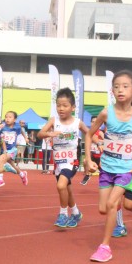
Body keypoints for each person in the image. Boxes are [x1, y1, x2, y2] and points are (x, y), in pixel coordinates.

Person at [85, 70, 132, 263]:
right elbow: (89, 134)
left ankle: (105, 247)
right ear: (112, 91)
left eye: (125, 86)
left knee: (111, 205)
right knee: (103, 209)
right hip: (107, 168)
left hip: (126, 169)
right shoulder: (106, 113)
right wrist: (88, 159)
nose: (120, 90)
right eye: (116, 87)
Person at [37, 88, 89, 228]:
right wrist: (50, 134)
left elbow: (89, 134)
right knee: (67, 189)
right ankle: (76, 213)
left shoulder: (77, 122)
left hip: (72, 160)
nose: (61, 108)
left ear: (73, 107)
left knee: (61, 185)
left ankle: (63, 214)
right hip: (58, 161)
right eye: (58, 105)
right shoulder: (54, 121)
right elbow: (40, 134)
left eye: (65, 105)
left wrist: (100, 142)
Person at [0, 111, 29, 187]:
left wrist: (26, 138)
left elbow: (22, 131)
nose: (7, 119)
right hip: (3, 150)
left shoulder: (17, 126)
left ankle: (0, 180)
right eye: (6, 117)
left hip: (12, 150)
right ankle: (22, 174)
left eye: (10, 117)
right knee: (13, 165)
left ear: (14, 119)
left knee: (0, 160)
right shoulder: (2, 126)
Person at [80, 115, 103, 185]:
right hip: (92, 153)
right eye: (92, 122)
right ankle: (87, 175)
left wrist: (98, 141)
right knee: (85, 161)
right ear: (90, 123)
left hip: (100, 155)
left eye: (96, 122)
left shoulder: (100, 132)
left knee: (103, 170)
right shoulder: (89, 132)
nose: (94, 123)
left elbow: (106, 141)